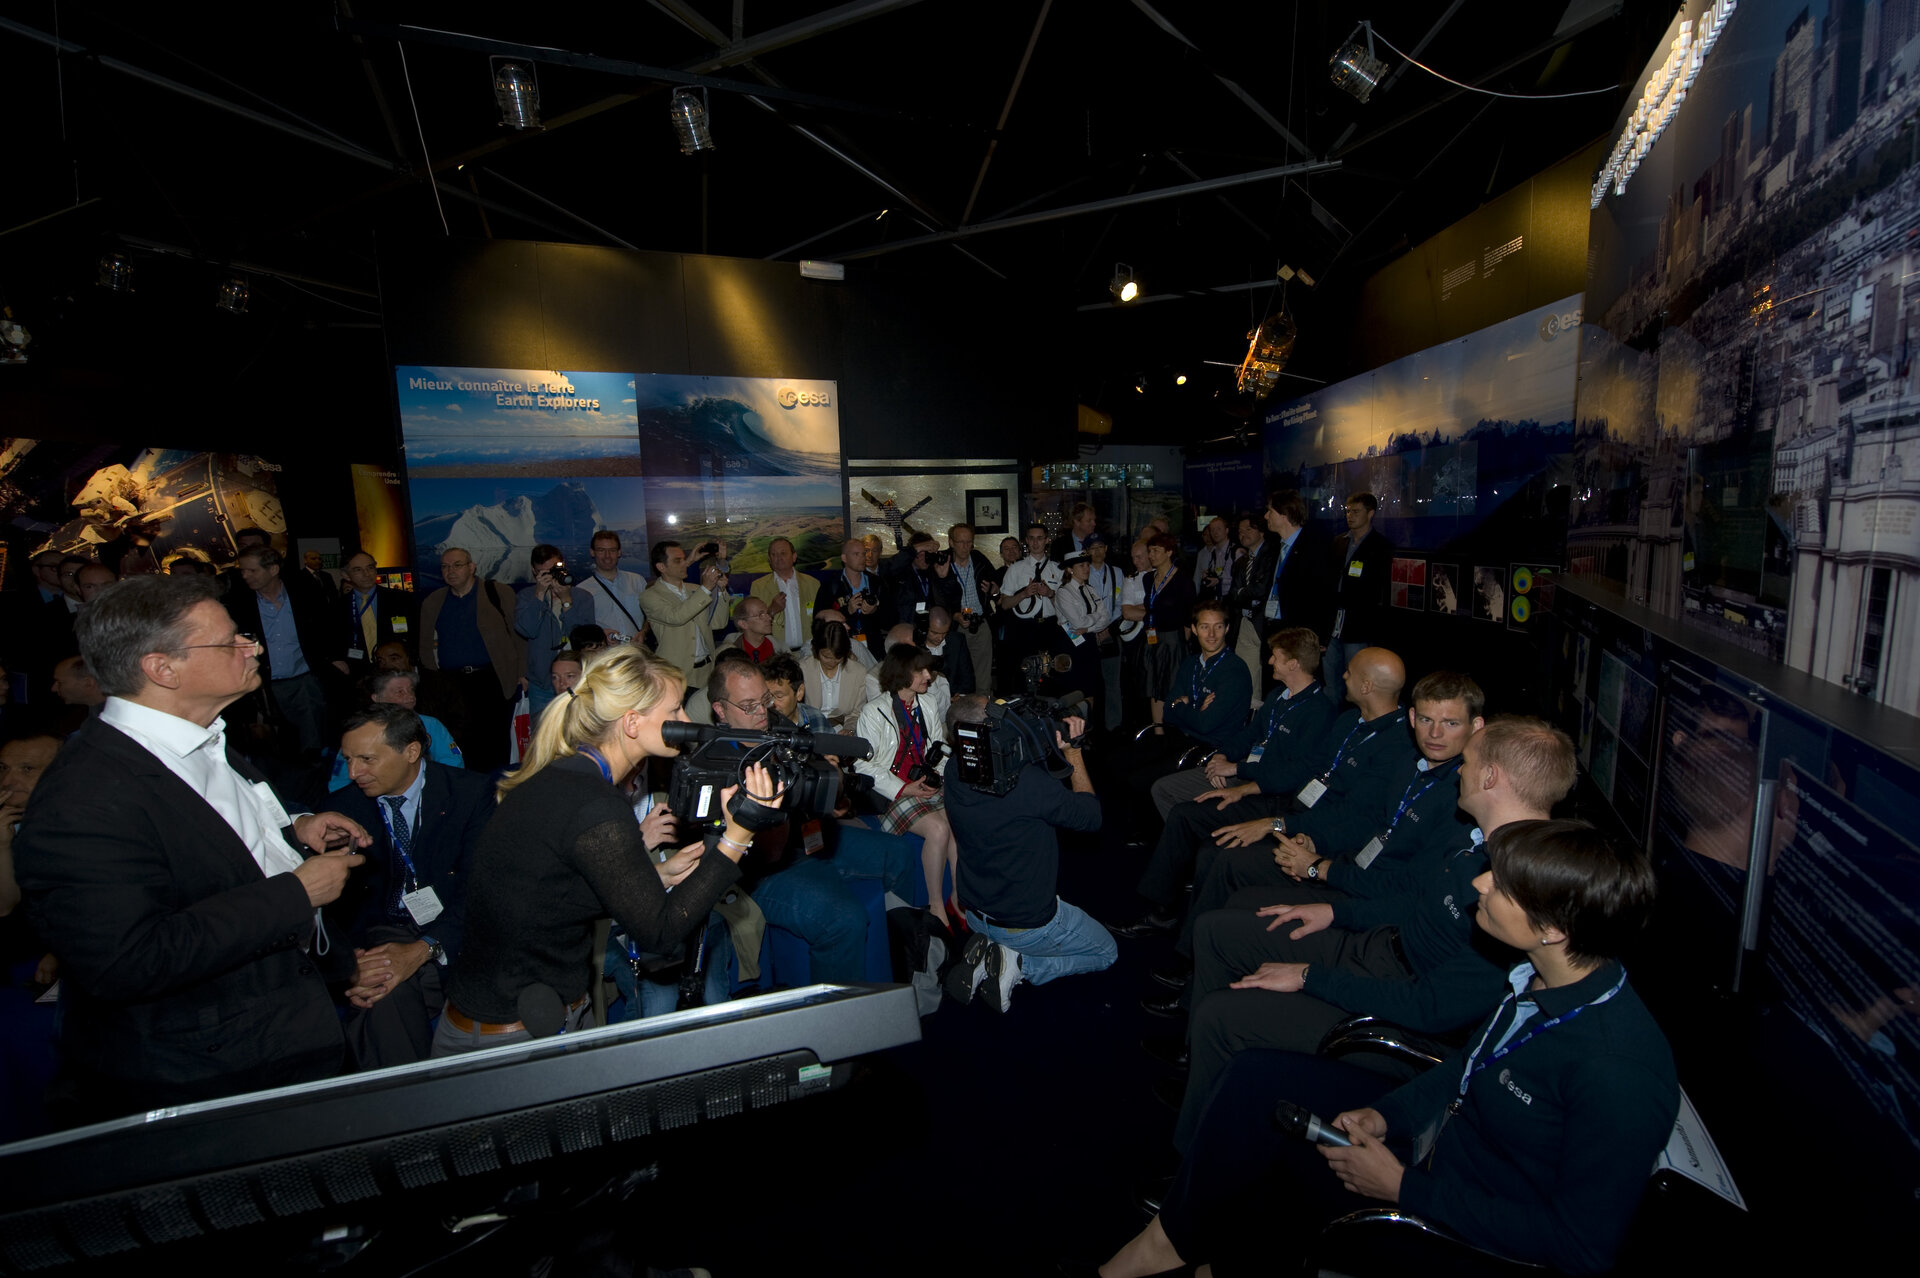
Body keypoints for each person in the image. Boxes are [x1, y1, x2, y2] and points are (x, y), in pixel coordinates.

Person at [1097, 819, 1676, 1278]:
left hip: (1457, 1218)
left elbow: (1580, 1246)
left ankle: (1189, 1251)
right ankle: (1173, 1243)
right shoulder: (1538, 976)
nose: (1479, 884)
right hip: (1437, 1142)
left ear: (1552, 928)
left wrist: (1402, 1187)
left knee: (1270, 1161)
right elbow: (1467, 1071)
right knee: (1255, 1080)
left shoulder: (1617, 1069)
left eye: (1500, 885)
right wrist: (1386, 1113)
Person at [14, 575, 371, 1124]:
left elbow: (208, 838)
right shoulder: (83, 799)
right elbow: (128, 959)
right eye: (230, 641)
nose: (252, 647)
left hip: (281, 1041)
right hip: (201, 1085)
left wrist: (295, 829)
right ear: (163, 668)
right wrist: (296, 893)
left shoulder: (198, 739)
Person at [1170, 715, 1559, 1154]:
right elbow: (1411, 906)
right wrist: (1333, 911)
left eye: (1467, 762)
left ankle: (1190, 1167)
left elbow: (1431, 1011)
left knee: (1223, 1016)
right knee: (1221, 932)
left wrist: (1310, 977)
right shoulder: (1474, 846)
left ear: (1491, 776)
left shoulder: (1525, 894)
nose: (1459, 773)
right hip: (1381, 950)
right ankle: (1202, 1085)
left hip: (1404, 1014)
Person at [436, 645, 779, 1054]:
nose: (687, 721)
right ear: (632, 723)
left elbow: (547, 894)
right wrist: (737, 835)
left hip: (527, 1012)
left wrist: (653, 876)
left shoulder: (567, 775)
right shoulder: (597, 805)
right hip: (509, 1035)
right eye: (675, 712)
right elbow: (661, 932)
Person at [1113, 627, 1336, 940]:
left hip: (1272, 796)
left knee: (1187, 816)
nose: (1270, 661)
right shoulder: (1279, 697)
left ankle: (1167, 909)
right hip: (1247, 776)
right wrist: (1221, 757)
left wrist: (1237, 770)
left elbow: (1292, 775)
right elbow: (1249, 736)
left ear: (1294, 664)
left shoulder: (1319, 713)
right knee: (1177, 805)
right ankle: (1164, 901)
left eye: (1277, 657)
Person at [708, 659, 917, 983]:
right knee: (844, 919)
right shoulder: (716, 758)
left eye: (765, 700)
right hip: (760, 870)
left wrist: (830, 776)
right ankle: (836, 1021)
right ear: (720, 710)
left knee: (900, 855)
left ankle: (905, 955)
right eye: (748, 706)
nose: (762, 712)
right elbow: (756, 846)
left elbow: (827, 778)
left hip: (811, 837)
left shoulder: (778, 726)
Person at [328, 704, 494, 1068]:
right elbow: (332, 909)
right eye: (348, 759)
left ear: (411, 752)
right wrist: (353, 964)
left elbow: (481, 891)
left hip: (453, 933)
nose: (354, 773)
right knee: (385, 988)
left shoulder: (471, 794)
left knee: (383, 996)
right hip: (376, 938)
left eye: (367, 759)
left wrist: (424, 948)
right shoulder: (341, 810)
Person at [942, 693, 1113, 1011]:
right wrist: (1073, 752)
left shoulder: (953, 770)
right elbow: (1091, 817)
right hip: (1027, 923)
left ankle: (987, 955)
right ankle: (1016, 963)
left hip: (977, 915)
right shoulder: (1029, 784)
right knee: (1106, 953)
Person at [855, 645, 959, 930]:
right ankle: (936, 904)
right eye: (921, 671)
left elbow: (941, 747)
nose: (929, 676)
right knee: (938, 829)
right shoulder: (873, 712)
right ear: (902, 674)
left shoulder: (927, 704)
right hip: (894, 791)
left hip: (924, 784)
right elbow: (862, 765)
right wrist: (905, 789)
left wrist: (932, 777)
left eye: (929, 669)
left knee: (956, 820)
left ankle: (958, 895)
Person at [226, 544, 343, 757]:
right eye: (242, 570)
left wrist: (335, 658)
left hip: (305, 679)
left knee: (314, 741)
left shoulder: (304, 593)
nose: (245, 576)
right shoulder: (238, 602)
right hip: (265, 685)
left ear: (273, 569)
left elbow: (327, 626)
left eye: (252, 570)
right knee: (281, 748)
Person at [420, 546, 526, 774]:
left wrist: (522, 673)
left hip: (492, 679)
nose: (451, 571)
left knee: (496, 742)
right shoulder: (433, 601)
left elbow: (518, 636)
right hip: (451, 684)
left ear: (471, 567)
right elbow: (425, 645)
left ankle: (497, 792)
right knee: (459, 742)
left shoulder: (497, 593)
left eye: (457, 565)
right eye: (445, 566)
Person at [325, 668, 465, 790]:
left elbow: (452, 764)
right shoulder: (360, 730)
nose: (409, 696)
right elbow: (341, 781)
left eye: (411, 690)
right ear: (377, 697)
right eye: (399, 692)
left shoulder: (430, 724)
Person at [1323, 491, 1393, 703]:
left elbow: (1378, 588)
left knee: (1358, 678)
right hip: (1332, 621)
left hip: (1358, 623)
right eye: (1347, 511)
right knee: (1330, 680)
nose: (1350, 515)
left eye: (1356, 511)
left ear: (1370, 513)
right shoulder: (1338, 542)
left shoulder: (1380, 546)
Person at [516, 544, 596, 721]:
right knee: (543, 737)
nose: (550, 576)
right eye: (542, 573)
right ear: (534, 572)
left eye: (553, 570)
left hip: (578, 679)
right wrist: (539, 596)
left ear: (562, 565)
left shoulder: (582, 597)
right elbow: (526, 630)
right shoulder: (526, 597)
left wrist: (567, 601)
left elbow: (583, 639)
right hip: (542, 682)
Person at [642, 541, 727, 686]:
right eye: (678, 560)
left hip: (707, 670)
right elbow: (677, 617)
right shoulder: (649, 596)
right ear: (661, 567)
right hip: (676, 674)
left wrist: (720, 591)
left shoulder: (695, 589)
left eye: (684, 559)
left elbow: (718, 622)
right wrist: (706, 588)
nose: (685, 563)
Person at [1139, 533, 1196, 732]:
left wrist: (1182, 642)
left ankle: (1176, 729)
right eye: (1150, 551)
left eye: (1156, 551)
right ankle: (1158, 730)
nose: (1151, 555)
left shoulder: (1182, 579)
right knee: (1154, 686)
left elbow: (1190, 615)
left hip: (1173, 639)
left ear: (1169, 552)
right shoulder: (1148, 579)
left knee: (1173, 685)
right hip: (1152, 637)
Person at [1054, 550, 1115, 727]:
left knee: (1091, 686)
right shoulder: (1064, 592)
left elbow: (1106, 617)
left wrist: (1089, 626)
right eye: (1081, 565)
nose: (1086, 568)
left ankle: (1088, 727)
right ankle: (1071, 728)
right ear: (1070, 570)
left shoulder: (1090, 590)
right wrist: (1095, 618)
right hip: (1069, 644)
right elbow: (1076, 621)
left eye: (1087, 564)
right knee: (1073, 688)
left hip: (1088, 641)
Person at [339, 550, 419, 680]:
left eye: (370, 567)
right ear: (346, 575)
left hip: (397, 672)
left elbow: (415, 634)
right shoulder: (338, 607)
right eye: (358, 570)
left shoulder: (401, 599)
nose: (366, 574)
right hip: (358, 673)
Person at [999, 522, 1066, 670]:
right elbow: (1005, 604)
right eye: (1032, 538)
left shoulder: (1058, 569)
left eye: (1040, 538)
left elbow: (1065, 607)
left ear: (1047, 540)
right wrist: (1024, 594)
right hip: (1025, 628)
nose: (1036, 543)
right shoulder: (1015, 569)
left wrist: (1050, 594)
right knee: (1026, 671)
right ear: (1026, 541)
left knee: (1050, 671)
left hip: (1050, 626)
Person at [943, 523, 998, 692]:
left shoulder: (978, 558)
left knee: (983, 673)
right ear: (951, 542)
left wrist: (994, 589)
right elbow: (937, 598)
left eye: (969, 542)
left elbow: (996, 581)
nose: (966, 546)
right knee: (959, 671)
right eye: (961, 542)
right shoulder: (943, 562)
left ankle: (983, 709)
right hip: (956, 625)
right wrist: (955, 615)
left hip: (979, 621)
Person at [574, 530, 648, 644]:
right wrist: (601, 634)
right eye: (601, 550)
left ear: (619, 552)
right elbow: (579, 629)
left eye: (612, 550)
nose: (607, 556)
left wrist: (644, 632)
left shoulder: (637, 581)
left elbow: (651, 615)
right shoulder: (582, 590)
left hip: (637, 651)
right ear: (592, 552)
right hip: (605, 655)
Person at [749, 536, 819, 653]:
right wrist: (771, 610)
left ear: (794, 557)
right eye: (774, 554)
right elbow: (752, 625)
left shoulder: (813, 584)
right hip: (776, 654)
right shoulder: (758, 587)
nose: (778, 558)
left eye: (783, 553)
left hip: (809, 653)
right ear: (769, 560)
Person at [825, 538, 884, 658]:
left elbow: (891, 619)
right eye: (856, 554)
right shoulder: (831, 585)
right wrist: (847, 611)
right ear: (844, 558)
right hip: (843, 650)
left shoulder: (876, 583)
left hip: (874, 650)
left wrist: (874, 611)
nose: (862, 558)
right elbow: (820, 622)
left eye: (863, 553)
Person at [801, 619, 862, 728]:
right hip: (810, 728)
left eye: (838, 657)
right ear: (816, 649)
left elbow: (856, 714)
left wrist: (849, 730)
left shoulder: (858, 671)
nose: (832, 662)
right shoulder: (803, 669)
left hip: (842, 728)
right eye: (826, 657)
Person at [763, 652, 828, 733]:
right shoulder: (760, 724)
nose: (771, 703)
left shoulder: (816, 719)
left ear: (799, 692)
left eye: (779, 696)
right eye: (766, 697)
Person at [919, 605, 975, 697]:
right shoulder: (916, 644)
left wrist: (959, 697)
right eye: (935, 633)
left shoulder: (956, 641)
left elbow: (967, 678)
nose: (940, 638)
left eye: (944, 633)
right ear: (925, 628)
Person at [720, 595, 778, 663]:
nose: (769, 618)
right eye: (761, 615)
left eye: (767, 613)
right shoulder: (728, 655)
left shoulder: (778, 648)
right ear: (743, 624)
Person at [1193, 516, 1234, 600]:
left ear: (1227, 530)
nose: (1215, 532)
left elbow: (1240, 581)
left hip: (1232, 598)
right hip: (1216, 597)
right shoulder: (1214, 552)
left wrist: (1220, 581)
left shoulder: (1236, 551)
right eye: (1212, 530)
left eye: (1219, 529)